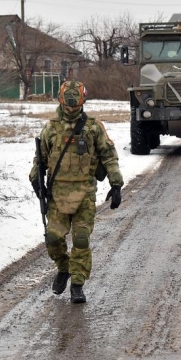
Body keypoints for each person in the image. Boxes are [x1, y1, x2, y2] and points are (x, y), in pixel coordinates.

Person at [29, 80, 124, 303]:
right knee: (53, 238)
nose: (72, 107)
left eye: (76, 102)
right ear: (61, 100)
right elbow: (40, 159)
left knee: (81, 239)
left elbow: (109, 156)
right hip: (58, 194)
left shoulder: (93, 127)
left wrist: (116, 184)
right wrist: (36, 180)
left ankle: (77, 285)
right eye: (68, 102)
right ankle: (64, 267)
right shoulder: (51, 128)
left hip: (84, 194)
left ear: (83, 101)